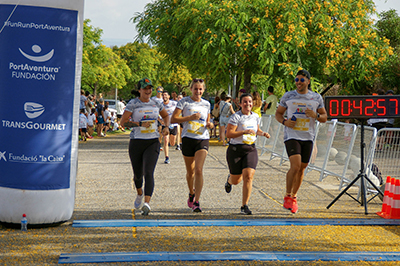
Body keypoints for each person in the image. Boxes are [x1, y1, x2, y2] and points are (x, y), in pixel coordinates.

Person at [275, 69, 327, 214]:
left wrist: (315, 115)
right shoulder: (288, 96)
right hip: (292, 135)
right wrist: (285, 122)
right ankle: (287, 195)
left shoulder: (316, 97)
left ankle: (294, 197)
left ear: (308, 81)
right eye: (297, 80)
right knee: (296, 165)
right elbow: (278, 114)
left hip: (308, 136)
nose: (298, 82)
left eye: (302, 80)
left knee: (302, 168)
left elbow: (324, 117)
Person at [120, 78, 170, 216]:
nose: (148, 91)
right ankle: (139, 193)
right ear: (139, 90)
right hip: (136, 142)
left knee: (149, 172)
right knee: (138, 175)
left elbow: (166, 116)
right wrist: (139, 124)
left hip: (153, 141)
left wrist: (166, 127)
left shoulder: (156, 103)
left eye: (150, 88)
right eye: (145, 88)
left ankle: (147, 203)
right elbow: (123, 122)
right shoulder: (133, 104)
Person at [171, 78, 214, 212]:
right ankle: (191, 192)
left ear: (203, 90)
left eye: (200, 89)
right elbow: (174, 119)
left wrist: (210, 125)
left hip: (202, 138)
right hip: (188, 138)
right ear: (191, 89)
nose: (198, 91)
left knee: (199, 170)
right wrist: (189, 118)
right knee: (190, 172)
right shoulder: (183, 102)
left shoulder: (206, 104)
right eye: (195, 88)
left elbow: (208, 121)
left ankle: (197, 201)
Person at [224, 93, 270, 215]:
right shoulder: (236, 117)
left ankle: (244, 205)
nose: (247, 104)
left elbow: (256, 130)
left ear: (252, 103)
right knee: (236, 180)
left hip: (250, 149)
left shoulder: (255, 116)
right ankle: (229, 181)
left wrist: (262, 133)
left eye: (249, 102)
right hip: (235, 150)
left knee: (248, 176)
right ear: (240, 104)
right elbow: (229, 134)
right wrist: (243, 131)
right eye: (245, 102)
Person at [161, 91, 178, 164]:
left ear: (168, 97)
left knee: (172, 142)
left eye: (165, 95)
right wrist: (160, 120)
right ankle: (167, 157)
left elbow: (179, 111)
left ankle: (173, 143)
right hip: (165, 125)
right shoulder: (160, 105)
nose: (164, 96)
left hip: (173, 125)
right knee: (165, 140)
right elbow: (157, 114)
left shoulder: (174, 103)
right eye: (163, 95)